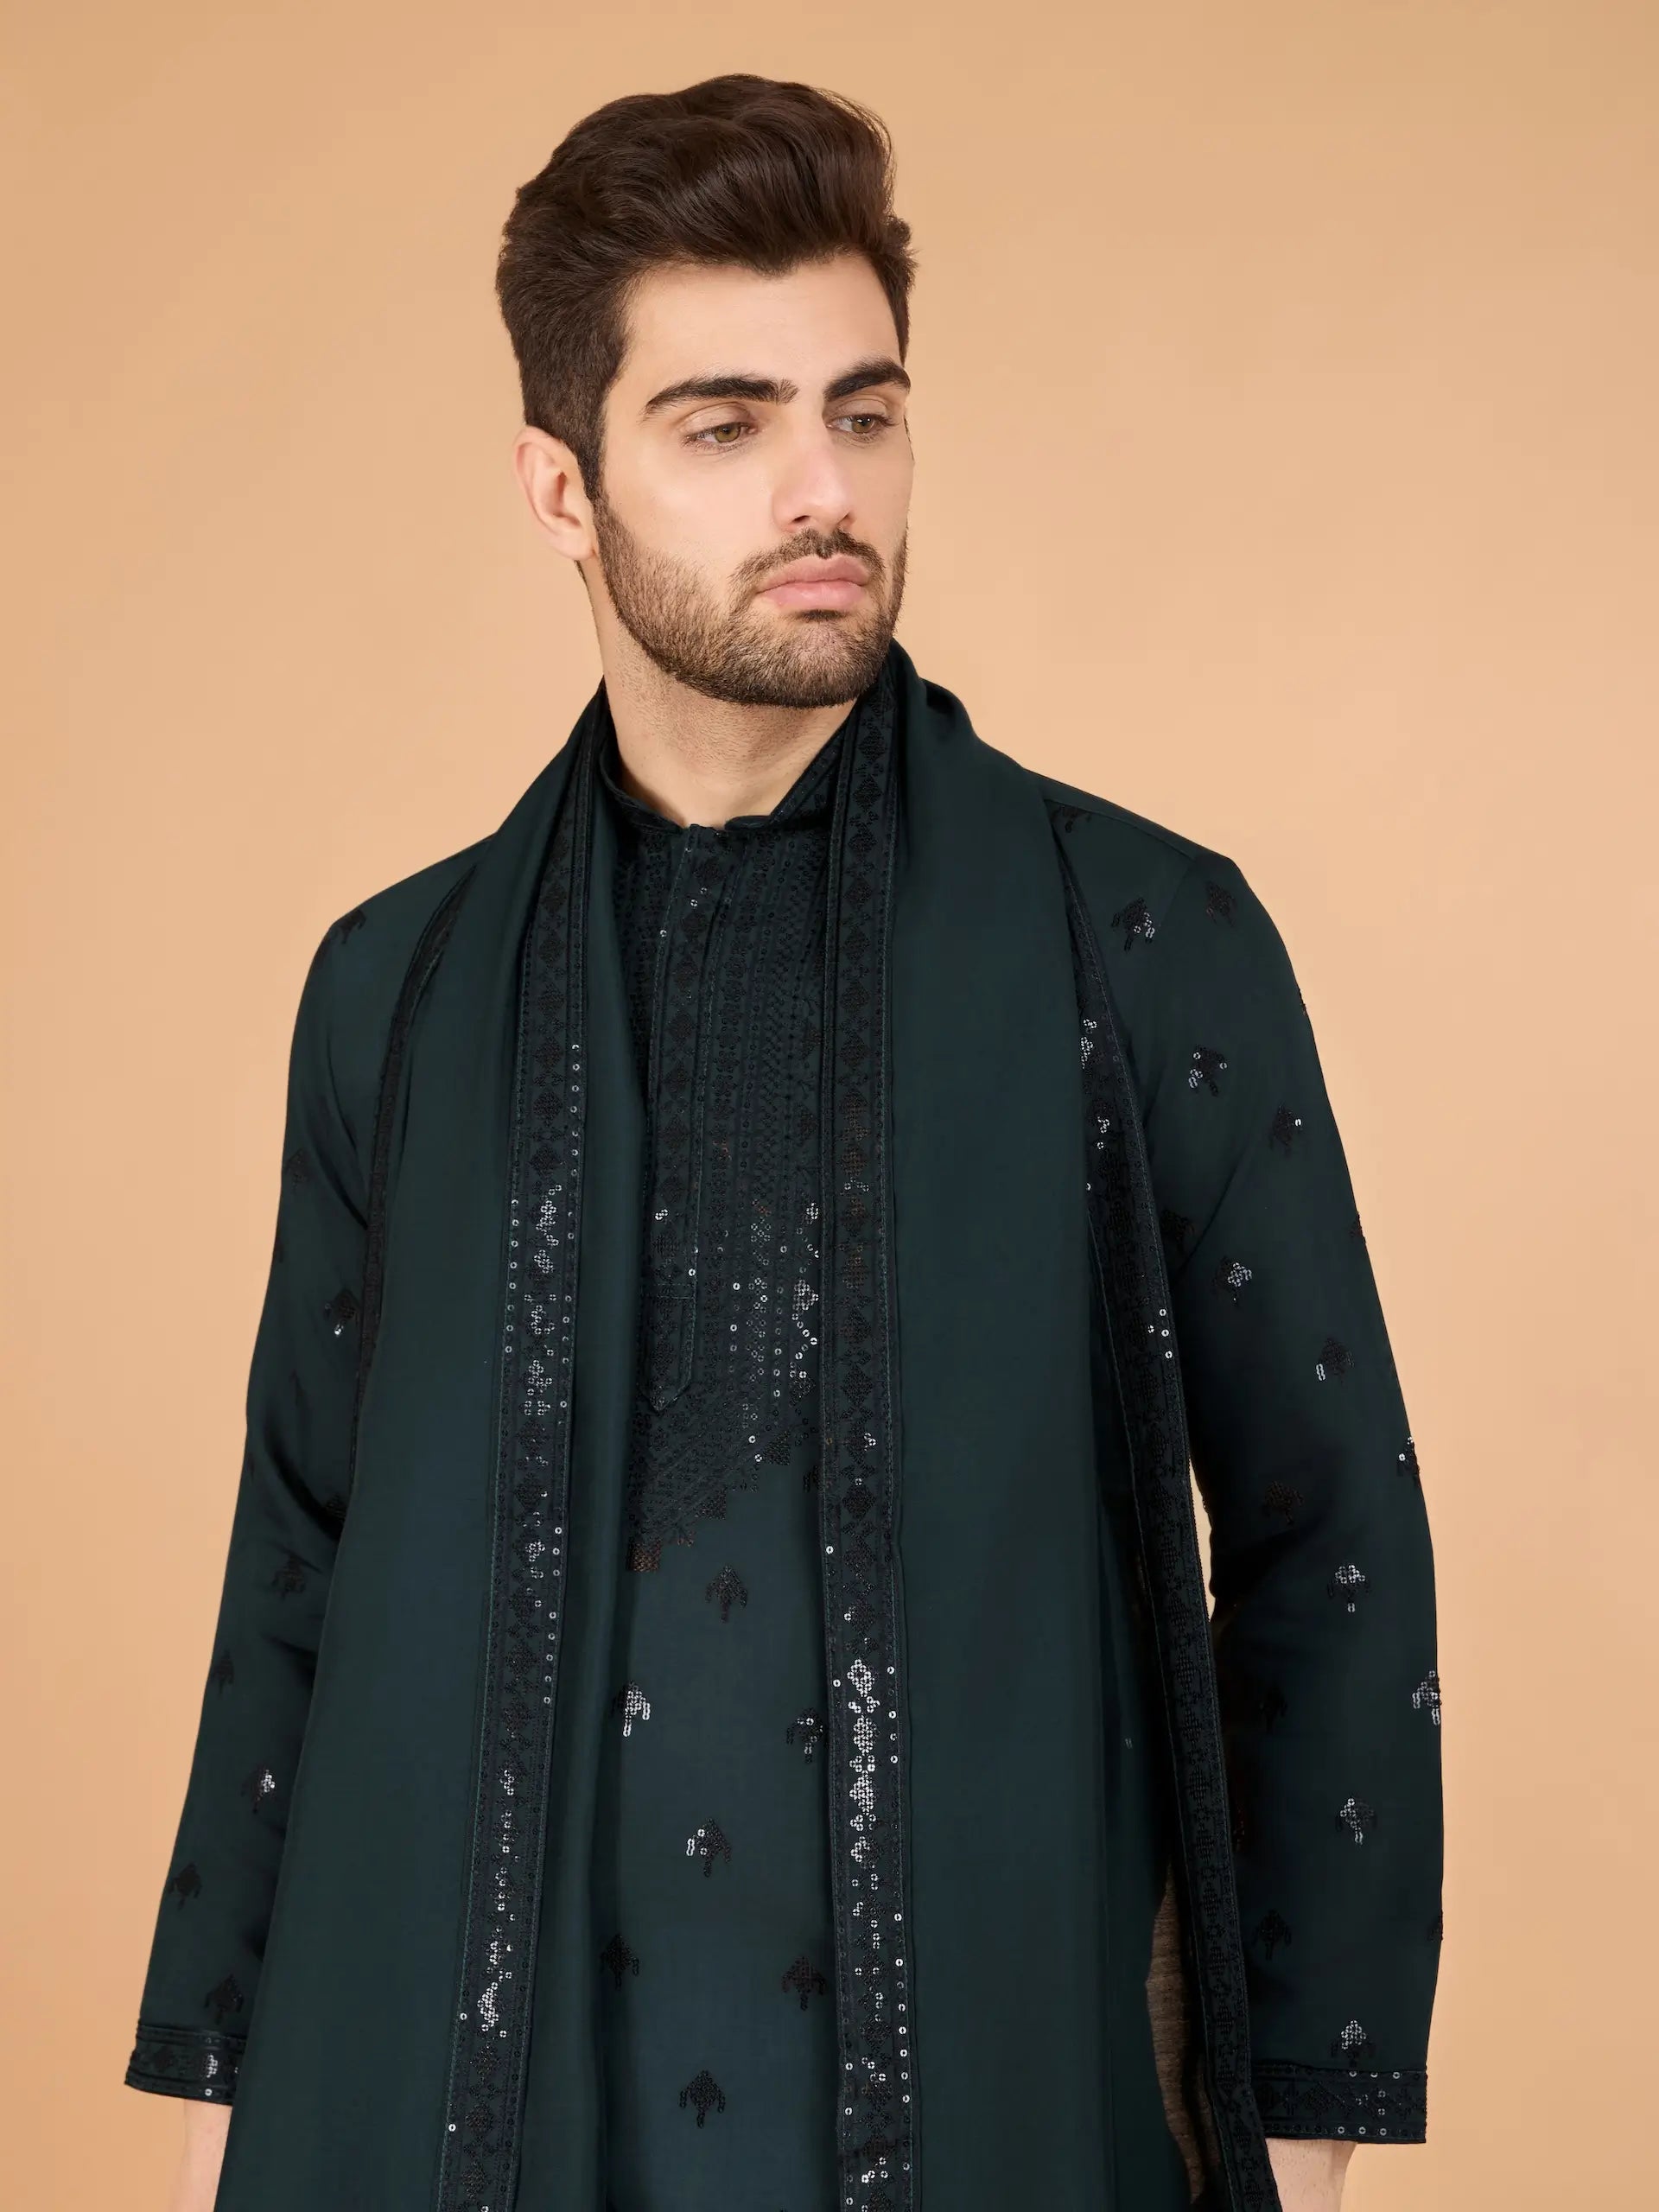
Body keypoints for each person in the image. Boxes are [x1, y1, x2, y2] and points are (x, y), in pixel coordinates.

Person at [123, 73, 1442, 2212]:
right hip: (441, 2122)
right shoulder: (400, 988)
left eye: (865, 410)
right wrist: (222, 2109)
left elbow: (1330, 1535)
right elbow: (300, 1556)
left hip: (999, 2112)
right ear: (563, 487)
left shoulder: (1138, 942)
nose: (823, 489)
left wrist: (1300, 2119)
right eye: (724, 426)